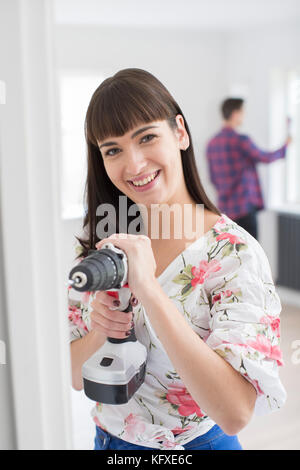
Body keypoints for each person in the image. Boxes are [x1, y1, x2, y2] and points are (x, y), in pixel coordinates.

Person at [68, 69, 286, 451]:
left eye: (147, 137)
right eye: (113, 149)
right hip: (107, 442)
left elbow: (235, 413)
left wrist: (150, 291)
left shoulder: (234, 253)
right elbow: (74, 376)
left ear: (180, 133)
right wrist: (102, 328)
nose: (134, 165)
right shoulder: (103, 246)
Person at [206, 98, 292, 240]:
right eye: (242, 112)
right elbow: (265, 157)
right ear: (235, 113)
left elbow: (213, 179)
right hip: (244, 208)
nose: (244, 115)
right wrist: (286, 146)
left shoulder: (212, 144)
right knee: (252, 256)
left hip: (225, 211)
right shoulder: (241, 140)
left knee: (232, 257)